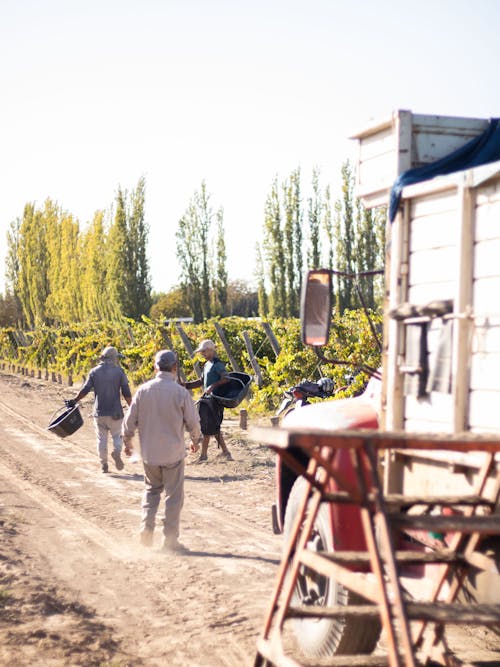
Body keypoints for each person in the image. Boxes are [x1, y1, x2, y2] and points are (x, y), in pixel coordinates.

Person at [122, 349, 200, 552]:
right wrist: (195, 440)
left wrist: (127, 442)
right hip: (173, 453)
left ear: (155, 367)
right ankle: (170, 541)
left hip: (150, 454)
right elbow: (193, 422)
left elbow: (129, 421)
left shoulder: (143, 390)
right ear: (175, 368)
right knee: (174, 497)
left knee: (151, 490)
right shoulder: (181, 393)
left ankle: (146, 530)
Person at [67, 346, 132, 474]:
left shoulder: (94, 372)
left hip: (99, 412)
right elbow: (126, 392)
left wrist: (75, 400)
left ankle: (104, 465)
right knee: (117, 436)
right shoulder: (119, 372)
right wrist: (133, 407)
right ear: (114, 358)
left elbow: (85, 390)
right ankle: (117, 452)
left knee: (101, 439)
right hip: (116, 412)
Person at [184, 339, 232, 462]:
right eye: (201, 352)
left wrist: (213, 386)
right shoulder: (207, 365)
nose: (202, 354)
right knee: (214, 427)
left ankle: (204, 456)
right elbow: (201, 382)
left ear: (211, 350)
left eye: (204, 351)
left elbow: (226, 378)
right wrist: (185, 385)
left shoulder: (217, 364)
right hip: (206, 400)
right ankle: (226, 453)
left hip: (214, 401)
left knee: (207, 427)